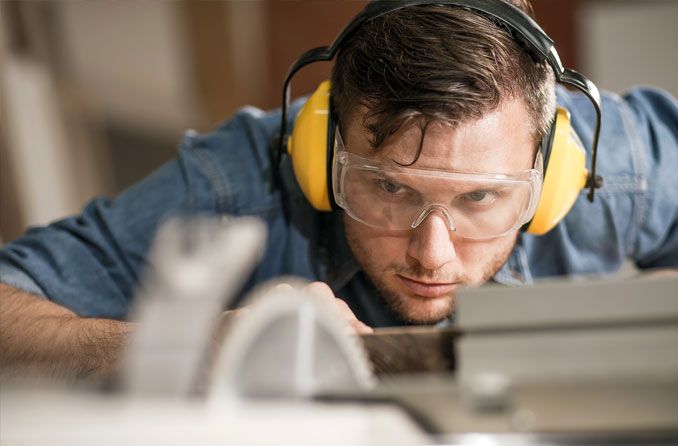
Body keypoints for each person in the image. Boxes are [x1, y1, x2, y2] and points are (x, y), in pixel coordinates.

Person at [1, 0, 676, 379]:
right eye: (388, 188)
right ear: (322, 155)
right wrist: (191, 346)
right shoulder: (241, 180)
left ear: (551, 176)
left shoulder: (611, 166)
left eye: (479, 198)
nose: (433, 257)